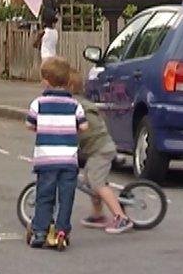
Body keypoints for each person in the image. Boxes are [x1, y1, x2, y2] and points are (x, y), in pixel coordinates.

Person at [25, 57, 88, 249]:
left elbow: (29, 124)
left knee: (45, 194)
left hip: (46, 159)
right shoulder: (75, 105)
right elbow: (84, 126)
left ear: (46, 81)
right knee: (66, 196)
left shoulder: (39, 103)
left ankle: (40, 231)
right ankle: (62, 230)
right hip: (69, 160)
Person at [68, 70, 133, 234]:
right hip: (96, 149)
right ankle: (98, 215)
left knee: (96, 182)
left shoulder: (77, 107)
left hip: (101, 150)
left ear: (68, 87)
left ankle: (121, 217)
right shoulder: (77, 104)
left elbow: (83, 130)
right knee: (89, 181)